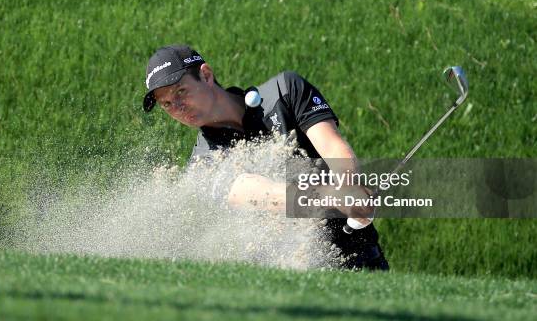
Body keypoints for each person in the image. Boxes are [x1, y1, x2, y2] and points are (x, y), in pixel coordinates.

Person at [143, 44, 389, 270]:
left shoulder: (285, 91)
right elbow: (256, 192)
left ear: (206, 76)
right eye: (167, 104)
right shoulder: (202, 165)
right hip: (291, 278)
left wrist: (350, 188)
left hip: (363, 258)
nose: (177, 108)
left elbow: (332, 146)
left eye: (181, 92)